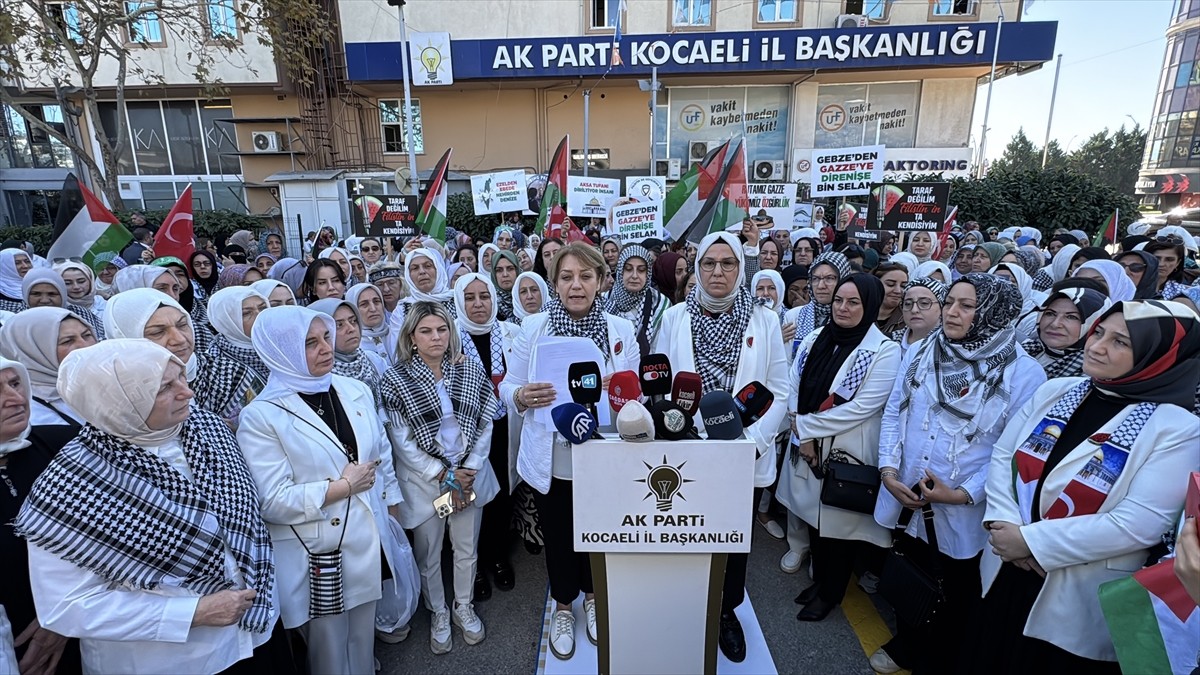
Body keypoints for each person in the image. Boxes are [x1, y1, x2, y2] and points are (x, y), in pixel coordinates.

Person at [16, 339, 285, 674]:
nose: (186, 392)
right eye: (164, 388)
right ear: (118, 401)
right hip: (168, 661)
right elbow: (66, 606)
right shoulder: (73, 483)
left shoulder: (207, 428)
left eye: (182, 378)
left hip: (258, 630)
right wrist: (192, 613)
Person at [972, 300, 1200, 671]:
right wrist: (1004, 525)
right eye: (1098, 332)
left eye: (1121, 342)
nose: (1095, 346)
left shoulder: (1178, 429)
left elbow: (1136, 524)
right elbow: (1003, 457)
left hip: (1072, 593)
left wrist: (1030, 542)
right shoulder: (1059, 390)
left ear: (1158, 356)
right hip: (1005, 564)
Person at [870, 274, 1047, 675]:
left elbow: (1013, 452)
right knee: (909, 573)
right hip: (907, 491)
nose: (952, 312)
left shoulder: (1024, 374)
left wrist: (962, 494)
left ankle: (938, 657)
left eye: (967, 306)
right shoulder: (925, 348)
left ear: (992, 312)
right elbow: (896, 412)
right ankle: (907, 645)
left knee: (954, 589)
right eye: (949, 301)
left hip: (964, 510)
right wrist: (888, 470)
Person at [237, 306, 407, 675]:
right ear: (281, 351)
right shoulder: (261, 416)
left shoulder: (354, 390)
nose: (326, 348)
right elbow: (271, 501)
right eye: (310, 343)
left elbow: (379, 454)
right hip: (317, 552)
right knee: (329, 651)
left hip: (366, 539)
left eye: (326, 337)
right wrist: (342, 487)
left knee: (362, 640)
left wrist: (390, 502)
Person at [499, 242, 638, 660]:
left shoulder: (621, 331)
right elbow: (508, 387)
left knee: (597, 529)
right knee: (559, 533)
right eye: (566, 277)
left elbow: (635, 398)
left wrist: (620, 393)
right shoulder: (534, 328)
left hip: (602, 452)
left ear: (600, 280)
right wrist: (522, 395)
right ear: (554, 282)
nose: (576, 285)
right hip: (552, 452)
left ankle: (593, 597)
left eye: (585, 276)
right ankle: (563, 605)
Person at [654, 232, 789, 663]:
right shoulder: (675, 317)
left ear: (740, 269)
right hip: (687, 449)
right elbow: (659, 385)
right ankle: (687, 604)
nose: (717, 271)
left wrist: (750, 443)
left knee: (732, 538)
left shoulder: (764, 321)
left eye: (727, 263)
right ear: (697, 268)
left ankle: (726, 610)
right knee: (685, 529)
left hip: (742, 453)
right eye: (709, 263)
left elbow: (781, 391)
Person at [781, 273, 901, 621]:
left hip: (846, 451)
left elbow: (861, 407)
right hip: (808, 446)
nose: (843, 308)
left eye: (853, 302)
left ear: (870, 307)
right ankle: (821, 584)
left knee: (840, 532)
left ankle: (831, 594)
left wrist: (805, 428)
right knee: (816, 524)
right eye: (838, 300)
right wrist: (803, 435)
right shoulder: (817, 337)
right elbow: (794, 383)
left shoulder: (882, 350)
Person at [381, 300, 498, 653]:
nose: (436, 337)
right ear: (411, 337)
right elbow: (401, 443)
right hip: (425, 484)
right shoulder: (395, 379)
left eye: (442, 329)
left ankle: (463, 606)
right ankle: (438, 611)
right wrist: (445, 475)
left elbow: (486, 422)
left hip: (468, 477)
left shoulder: (469, 371)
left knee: (466, 548)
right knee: (429, 554)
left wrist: (468, 469)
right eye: (426, 331)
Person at [0, 356, 82, 675]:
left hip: (91, 625)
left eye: (16, 383)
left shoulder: (65, 445)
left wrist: (62, 615)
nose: (16, 398)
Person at [106, 289, 263, 429]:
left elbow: (263, 431)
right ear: (126, 339)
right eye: (157, 332)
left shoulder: (230, 373)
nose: (180, 339)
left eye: (182, 325)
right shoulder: (115, 394)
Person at [0, 307, 95, 431]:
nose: (85, 345)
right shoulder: (23, 415)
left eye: (87, 335)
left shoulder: (106, 380)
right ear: (32, 353)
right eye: (67, 341)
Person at [1021, 287, 1112, 381]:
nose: (1055, 324)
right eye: (1050, 314)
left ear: (1093, 324)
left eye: (1071, 317)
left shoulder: (1093, 375)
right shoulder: (1026, 349)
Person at [308, 298, 387, 397]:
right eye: (339, 325)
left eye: (353, 321)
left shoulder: (373, 360)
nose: (351, 329)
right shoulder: (321, 378)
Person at [606, 244, 672, 356]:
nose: (635, 276)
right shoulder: (604, 300)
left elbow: (663, 349)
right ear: (620, 271)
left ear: (648, 274)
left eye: (641, 270)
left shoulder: (661, 304)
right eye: (628, 269)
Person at [788, 251, 853, 358]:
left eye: (830, 278)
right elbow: (787, 361)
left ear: (843, 279)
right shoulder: (794, 316)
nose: (821, 286)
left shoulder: (849, 317)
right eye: (816, 279)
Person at [19, 268, 106, 339]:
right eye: (36, 294)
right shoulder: (17, 323)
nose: (44, 300)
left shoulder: (81, 314)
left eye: (52, 294)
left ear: (63, 294)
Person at [207, 287, 271, 383]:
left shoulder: (282, 344)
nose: (259, 315)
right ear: (226, 321)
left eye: (263, 308)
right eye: (246, 313)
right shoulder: (215, 366)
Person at [892, 277, 948, 359]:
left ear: (942, 307)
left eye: (924, 303)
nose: (914, 310)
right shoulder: (888, 341)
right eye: (908, 304)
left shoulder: (949, 347)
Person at [345, 284, 390, 363]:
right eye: (364, 304)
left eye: (376, 301)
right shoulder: (352, 344)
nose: (373, 309)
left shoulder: (397, 334)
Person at [873, 263, 909, 336]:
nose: (898, 291)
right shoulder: (859, 313)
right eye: (890, 284)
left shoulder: (908, 319)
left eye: (903, 286)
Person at [490, 251, 520, 322]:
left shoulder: (529, 297)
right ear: (494, 275)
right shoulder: (490, 304)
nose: (505, 274)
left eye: (510, 269)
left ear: (517, 270)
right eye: (499, 270)